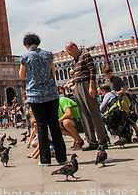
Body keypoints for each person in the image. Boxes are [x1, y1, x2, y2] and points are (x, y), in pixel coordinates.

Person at [20, 33, 66, 166]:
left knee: (41, 127)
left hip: (36, 96)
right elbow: (53, 72)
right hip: (52, 94)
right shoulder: (48, 54)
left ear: (27, 45)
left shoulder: (26, 56)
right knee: (54, 125)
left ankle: (45, 159)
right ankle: (62, 157)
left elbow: (21, 76)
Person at [65, 42, 107, 151]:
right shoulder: (74, 61)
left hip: (87, 85)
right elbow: (78, 74)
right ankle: (92, 142)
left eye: (69, 50)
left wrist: (92, 86)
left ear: (75, 47)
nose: (69, 53)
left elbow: (92, 70)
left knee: (94, 113)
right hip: (78, 86)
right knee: (83, 115)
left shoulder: (85, 55)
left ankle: (102, 141)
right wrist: (72, 83)